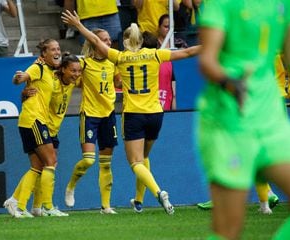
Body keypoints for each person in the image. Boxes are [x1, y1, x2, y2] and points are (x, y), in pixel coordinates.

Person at [62, 9, 200, 215]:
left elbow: (94, 41)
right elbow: (188, 52)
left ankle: (158, 192)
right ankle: (138, 200)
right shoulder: (155, 54)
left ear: (126, 41)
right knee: (144, 158)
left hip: (134, 114)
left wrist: (79, 25)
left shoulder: (120, 58)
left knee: (135, 162)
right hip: (156, 114)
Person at [197, 0, 290, 239]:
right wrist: (231, 83)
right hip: (230, 120)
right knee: (228, 230)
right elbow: (207, 60)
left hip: (271, 117)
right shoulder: (222, 4)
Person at [4, 39, 82, 218]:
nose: (56, 51)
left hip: (38, 122)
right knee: (51, 161)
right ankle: (47, 206)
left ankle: (18, 203)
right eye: (52, 49)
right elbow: (22, 77)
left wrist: (24, 92)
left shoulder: (51, 72)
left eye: (58, 49)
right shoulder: (38, 67)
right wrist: (19, 79)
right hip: (34, 120)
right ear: (43, 54)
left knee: (37, 167)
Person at [64, 28, 122, 214]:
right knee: (89, 160)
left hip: (109, 115)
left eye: (109, 40)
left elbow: (119, 82)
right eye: (103, 40)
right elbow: (72, 78)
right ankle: (71, 186)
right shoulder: (85, 64)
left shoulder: (114, 62)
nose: (108, 43)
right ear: (94, 43)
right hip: (89, 115)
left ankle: (106, 206)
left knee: (106, 163)